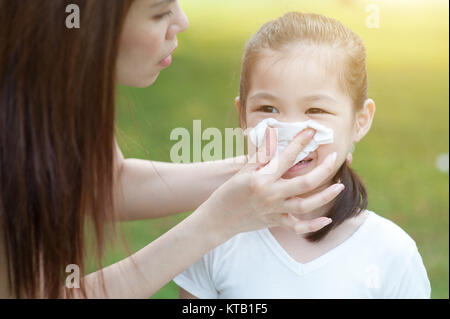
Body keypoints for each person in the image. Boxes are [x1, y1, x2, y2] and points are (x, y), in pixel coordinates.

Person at [0, 1, 346, 298]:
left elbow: (102, 184)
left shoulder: (53, 83)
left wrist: (266, 168)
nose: (182, 21)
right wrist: (215, 223)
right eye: (160, 12)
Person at [174, 12, 431, 299]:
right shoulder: (215, 237)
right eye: (269, 109)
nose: (291, 132)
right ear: (243, 117)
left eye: (316, 110)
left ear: (360, 121)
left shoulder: (391, 253)